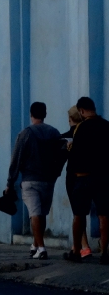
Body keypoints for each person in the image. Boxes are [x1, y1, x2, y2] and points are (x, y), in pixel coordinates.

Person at [5, 102, 61, 260]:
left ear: (31, 114)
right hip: (49, 180)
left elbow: (15, 160)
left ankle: (41, 247)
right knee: (41, 214)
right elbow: (61, 156)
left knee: (35, 213)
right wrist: (56, 174)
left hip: (30, 180)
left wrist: (10, 183)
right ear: (45, 114)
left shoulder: (25, 134)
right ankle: (36, 245)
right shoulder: (55, 133)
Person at [62, 96, 109, 265]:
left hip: (83, 178)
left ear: (81, 111)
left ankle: (76, 250)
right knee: (104, 215)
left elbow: (75, 156)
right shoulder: (106, 126)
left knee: (79, 215)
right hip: (103, 177)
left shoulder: (80, 128)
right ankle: (105, 252)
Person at [61, 106, 92, 258]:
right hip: (91, 174)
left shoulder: (67, 136)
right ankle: (83, 246)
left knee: (77, 214)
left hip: (73, 176)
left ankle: (80, 246)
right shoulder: (89, 132)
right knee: (83, 213)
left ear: (70, 119)